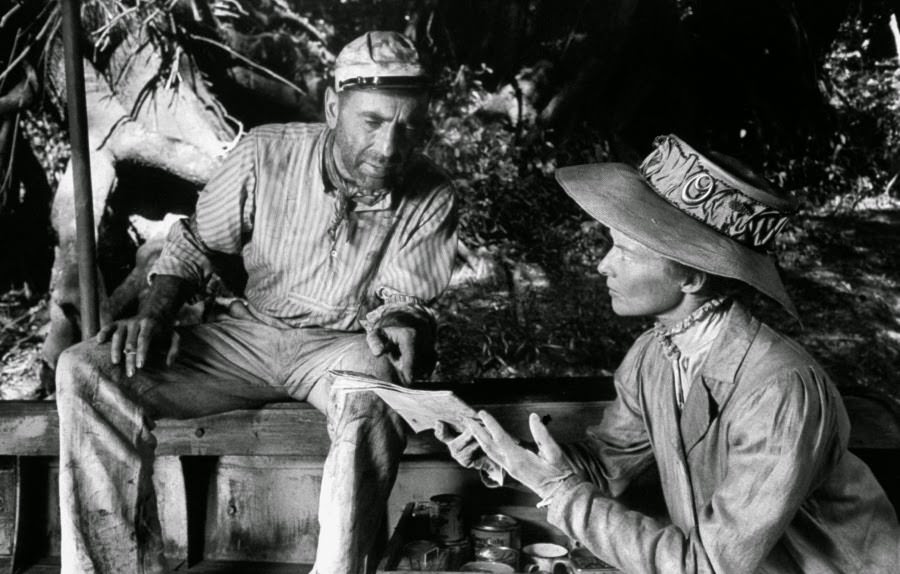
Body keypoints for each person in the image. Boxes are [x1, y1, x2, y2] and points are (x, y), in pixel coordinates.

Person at [56, 31, 457, 574]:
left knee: (377, 387)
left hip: (341, 349)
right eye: (373, 122)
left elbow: (402, 300)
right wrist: (155, 314)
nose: (390, 148)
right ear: (333, 107)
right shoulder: (265, 153)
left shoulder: (431, 193)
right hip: (249, 337)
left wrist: (406, 324)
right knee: (87, 369)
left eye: (409, 127)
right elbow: (199, 244)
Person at [437, 135, 899, 573]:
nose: (603, 264)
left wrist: (560, 491)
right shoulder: (653, 356)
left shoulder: (780, 391)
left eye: (625, 250)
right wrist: (504, 457)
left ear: (692, 279)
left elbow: (710, 564)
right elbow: (605, 468)